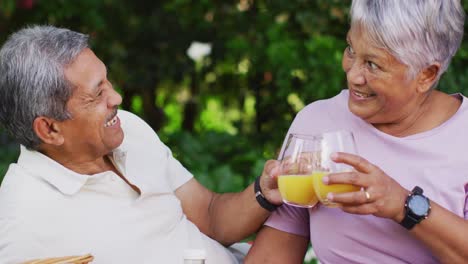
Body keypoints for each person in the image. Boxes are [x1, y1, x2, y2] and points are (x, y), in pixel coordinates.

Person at [0, 25, 282, 264]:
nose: (117, 98)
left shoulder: (128, 129)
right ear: (49, 129)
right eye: (97, 95)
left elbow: (210, 215)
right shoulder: (23, 223)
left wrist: (264, 191)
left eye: (107, 82)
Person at [245, 0, 468, 263]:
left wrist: (402, 204)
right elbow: (275, 252)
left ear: (426, 75)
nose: (353, 75)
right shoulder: (318, 123)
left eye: (373, 64)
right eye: (351, 49)